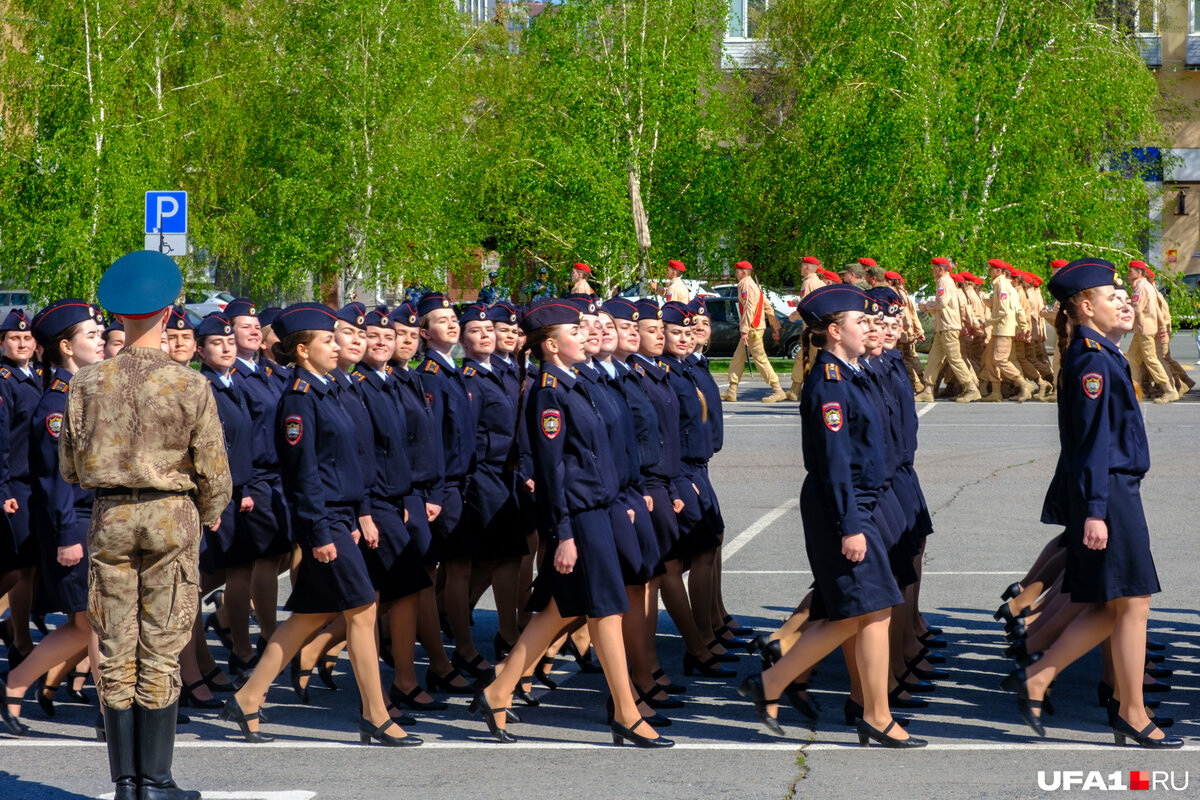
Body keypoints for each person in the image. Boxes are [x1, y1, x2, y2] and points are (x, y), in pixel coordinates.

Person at [50, 250, 233, 800]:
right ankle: (154, 780)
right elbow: (215, 470)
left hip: (110, 515)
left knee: (115, 640)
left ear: (119, 316)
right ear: (170, 310)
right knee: (161, 643)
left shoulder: (85, 383)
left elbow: (69, 467)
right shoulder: (189, 383)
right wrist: (206, 514)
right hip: (170, 514)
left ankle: (126, 782)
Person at [471, 298, 672, 748]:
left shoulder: (576, 382)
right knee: (606, 611)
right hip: (579, 517)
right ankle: (624, 711)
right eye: (575, 333)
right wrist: (561, 533)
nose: (586, 337)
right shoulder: (549, 393)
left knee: (563, 610)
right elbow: (550, 471)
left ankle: (498, 690)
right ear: (551, 345)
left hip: (600, 510)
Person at [221, 302, 420, 747]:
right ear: (304, 351)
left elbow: (353, 460)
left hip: (343, 515)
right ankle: (375, 714)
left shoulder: (332, 389)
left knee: (309, 614)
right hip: (323, 519)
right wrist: (318, 532)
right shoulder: (299, 400)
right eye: (328, 340)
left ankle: (249, 696)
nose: (338, 345)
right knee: (364, 609)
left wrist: (362, 512)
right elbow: (302, 473)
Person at [1002, 259, 1182, 749]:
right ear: (1084, 306)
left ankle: (1040, 677)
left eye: (1124, 294)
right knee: (1132, 603)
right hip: (1110, 493)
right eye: (1112, 295)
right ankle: (1130, 711)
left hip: (1114, 491)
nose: (1125, 300)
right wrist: (1097, 511)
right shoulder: (1094, 360)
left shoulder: (1099, 352)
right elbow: (1092, 444)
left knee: (1115, 604)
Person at [738, 284, 923, 748]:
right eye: (861, 322)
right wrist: (851, 525)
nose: (871, 327)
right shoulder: (830, 383)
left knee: (869, 610)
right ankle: (866, 712)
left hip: (864, 501)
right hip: (843, 506)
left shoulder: (853, 372)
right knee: (867, 609)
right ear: (836, 332)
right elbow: (836, 463)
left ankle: (783, 686)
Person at [1, 300, 104, 734]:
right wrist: (66, 536)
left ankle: (12, 688)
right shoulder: (57, 406)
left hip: (85, 519)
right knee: (97, 622)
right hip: (72, 523)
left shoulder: (81, 391)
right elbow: (55, 479)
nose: (101, 341)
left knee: (84, 626)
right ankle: (112, 716)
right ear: (66, 346)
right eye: (92, 336)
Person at [915, 257, 980, 403]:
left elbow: (942, 303)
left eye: (934, 267)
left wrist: (926, 306)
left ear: (940, 269)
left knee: (955, 358)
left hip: (948, 326)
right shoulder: (944, 281)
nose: (932, 270)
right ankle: (928, 389)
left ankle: (971, 388)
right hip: (943, 326)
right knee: (933, 359)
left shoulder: (943, 281)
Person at [721, 261, 786, 403]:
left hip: (752, 329)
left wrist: (744, 330)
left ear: (744, 272)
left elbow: (749, 309)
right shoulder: (754, 285)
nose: (735, 274)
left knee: (760, 359)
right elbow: (768, 307)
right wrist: (776, 328)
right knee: (738, 358)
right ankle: (731, 390)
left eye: (737, 271)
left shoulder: (746, 285)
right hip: (753, 328)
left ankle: (778, 390)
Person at [981, 259, 1035, 402]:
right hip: (1001, 329)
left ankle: (1023, 383)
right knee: (991, 361)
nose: (989, 271)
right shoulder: (1008, 286)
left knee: (1000, 359)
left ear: (999, 271)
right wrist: (1023, 327)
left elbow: (1003, 311)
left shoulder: (1002, 285)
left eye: (992, 269)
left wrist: (987, 322)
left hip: (1002, 329)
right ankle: (996, 392)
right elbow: (1018, 309)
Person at [1126, 261, 1178, 403]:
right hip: (1143, 329)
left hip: (1144, 330)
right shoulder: (1148, 286)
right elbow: (1156, 310)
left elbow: (1137, 309)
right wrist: (1162, 328)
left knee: (1151, 360)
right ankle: (1133, 390)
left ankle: (1169, 390)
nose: (1128, 274)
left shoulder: (1140, 287)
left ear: (1139, 272)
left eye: (1131, 271)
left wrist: (1124, 314)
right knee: (1131, 359)